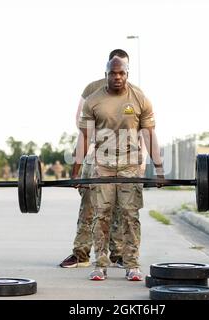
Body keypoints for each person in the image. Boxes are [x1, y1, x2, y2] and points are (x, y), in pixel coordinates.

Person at [73, 56, 164, 281]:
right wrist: (76, 172)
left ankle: (132, 265)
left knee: (130, 216)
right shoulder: (93, 101)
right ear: (106, 75)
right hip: (102, 166)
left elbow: (149, 135)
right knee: (101, 216)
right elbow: (84, 137)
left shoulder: (140, 98)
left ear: (127, 74)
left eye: (121, 73)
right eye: (113, 73)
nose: (117, 77)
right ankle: (100, 265)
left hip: (130, 166)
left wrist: (159, 168)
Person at [60, 49, 131, 269]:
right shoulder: (93, 89)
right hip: (95, 155)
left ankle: (117, 254)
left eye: (123, 69)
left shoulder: (132, 94)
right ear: (108, 66)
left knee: (120, 207)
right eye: (114, 68)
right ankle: (81, 253)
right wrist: (78, 166)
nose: (118, 74)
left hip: (124, 159)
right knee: (90, 205)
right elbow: (81, 125)